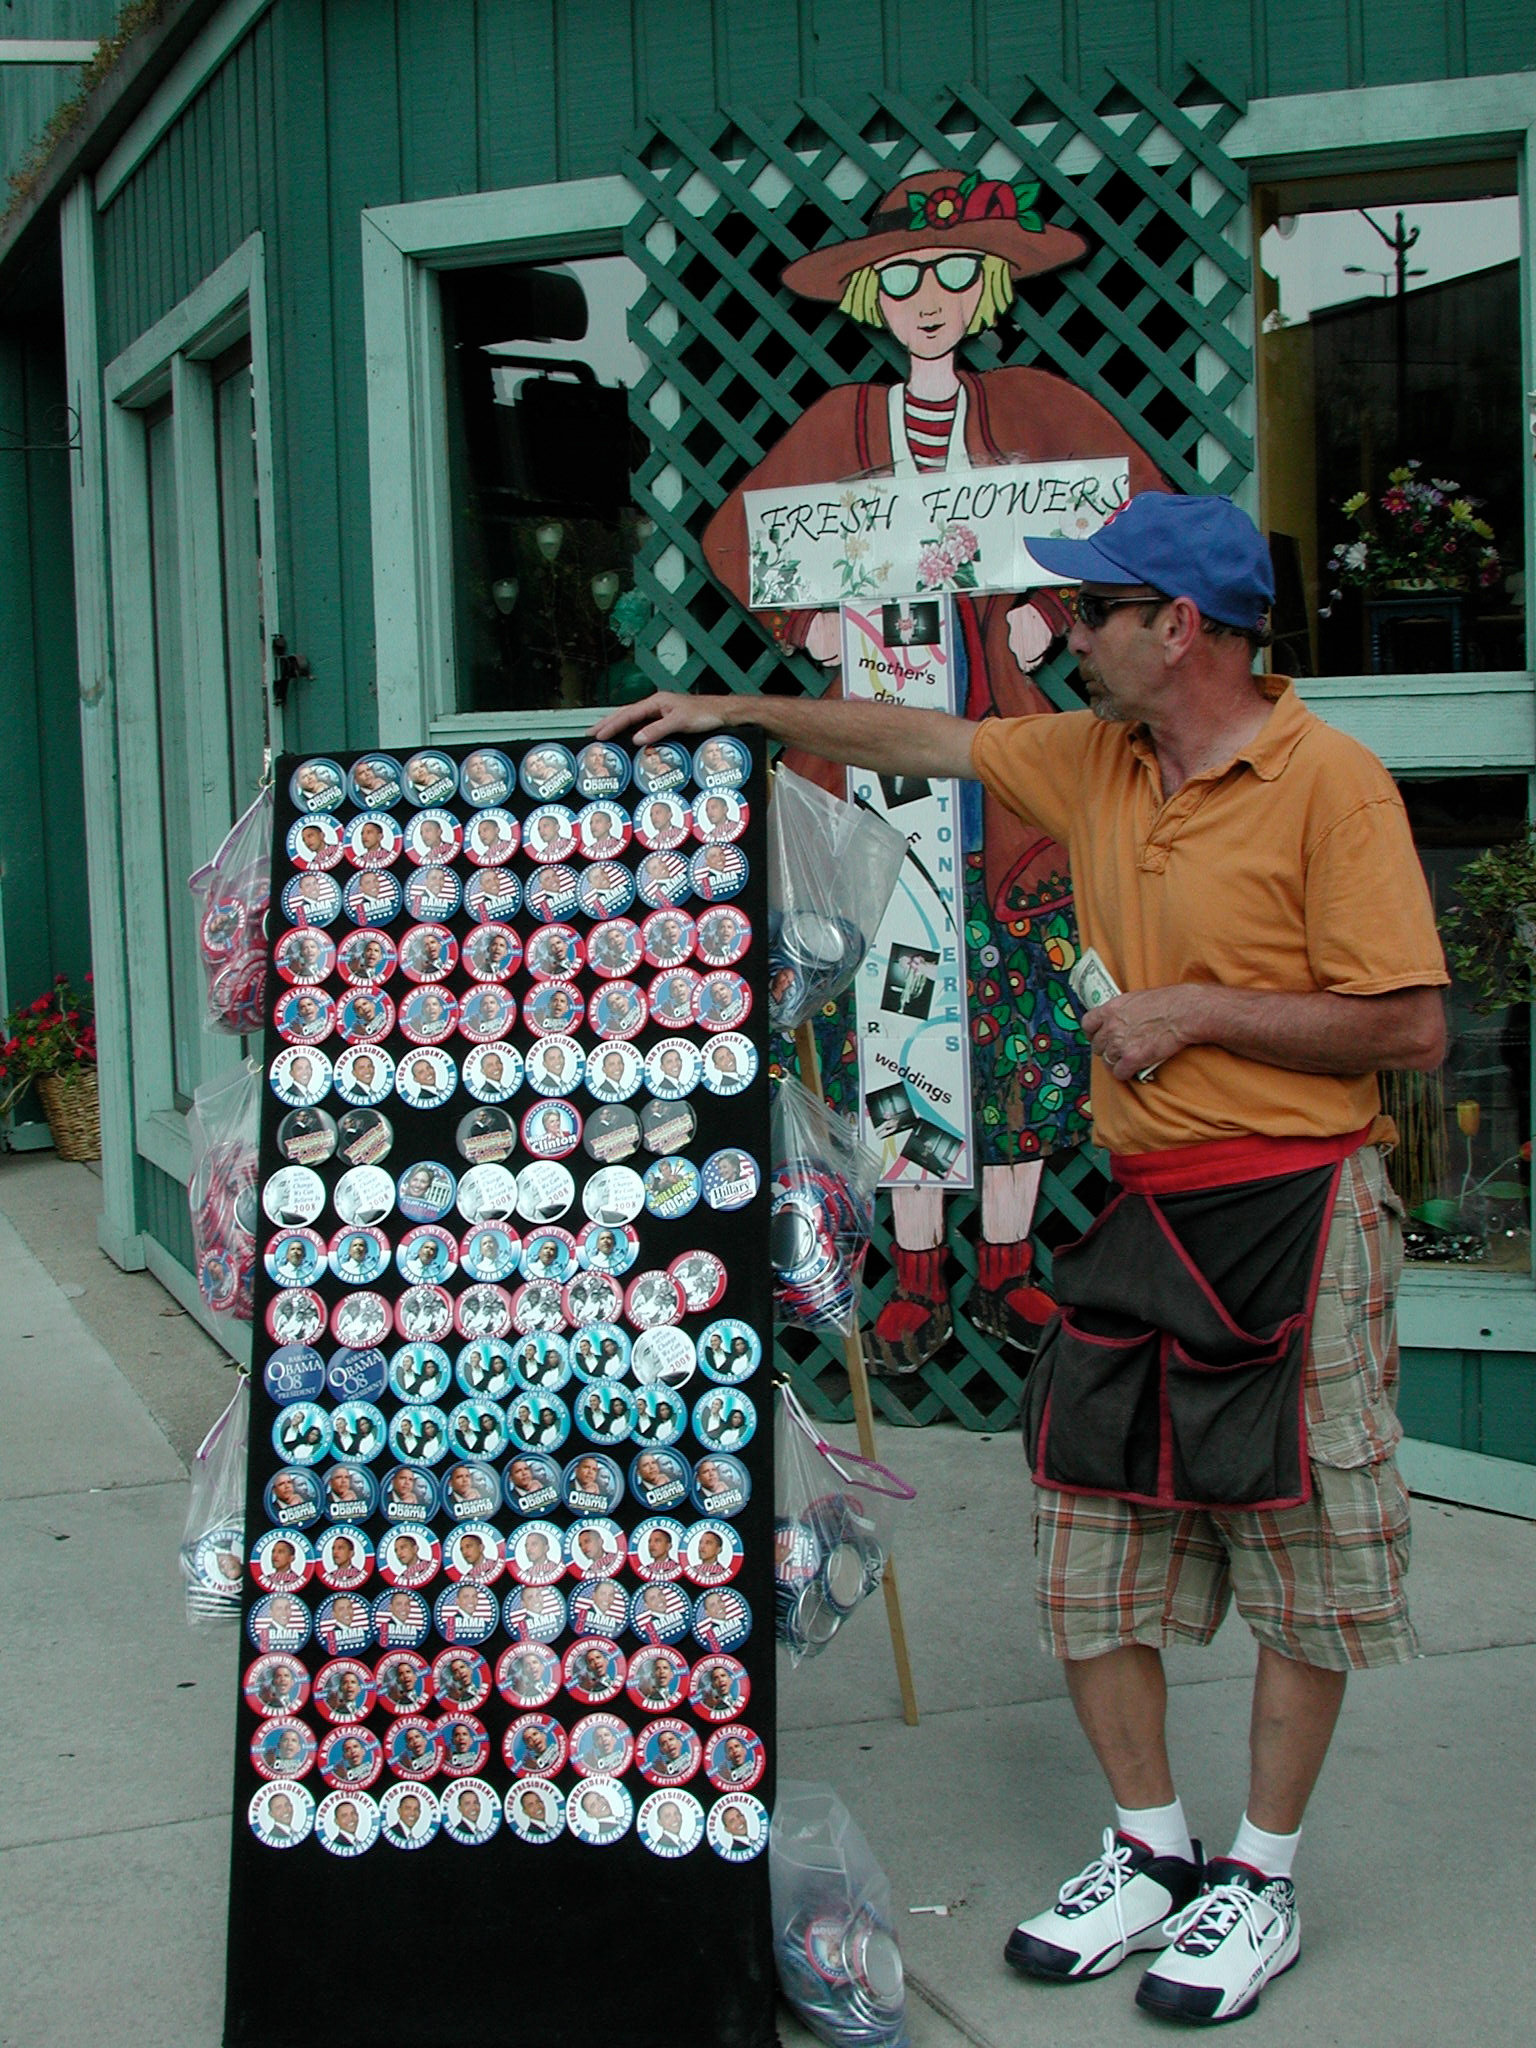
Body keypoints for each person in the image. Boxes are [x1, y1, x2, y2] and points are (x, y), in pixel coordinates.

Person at [595, 491, 1448, 2025]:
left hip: (1303, 1206)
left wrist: (1196, 1012)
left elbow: (1410, 1027)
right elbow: (917, 737)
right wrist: (738, 706)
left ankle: (1260, 1878)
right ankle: (1151, 1847)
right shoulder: (1094, 758)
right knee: (1086, 1536)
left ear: (1178, 627)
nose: (1066, 636)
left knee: (1303, 1551)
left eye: (1095, 612)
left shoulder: (1332, 784)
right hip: (1150, 1208)